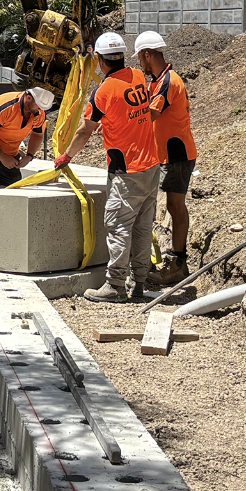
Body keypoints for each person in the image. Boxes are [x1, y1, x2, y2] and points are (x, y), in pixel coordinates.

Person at [57, 31, 163, 302]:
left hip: (127, 170)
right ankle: (138, 284)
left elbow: (84, 131)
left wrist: (66, 156)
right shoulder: (139, 77)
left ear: (101, 61)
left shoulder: (103, 92)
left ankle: (115, 286)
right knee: (142, 227)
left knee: (118, 226)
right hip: (151, 167)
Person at [132, 30, 196, 290]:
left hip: (178, 154)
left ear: (148, 55)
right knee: (172, 205)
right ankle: (175, 261)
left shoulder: (169, 82)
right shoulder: (158, 81)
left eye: (140, 59)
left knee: (175, 206)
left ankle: (178, 263)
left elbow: (150, 116)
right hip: (169, 153)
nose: (140, 64)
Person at [0, 85, 53, 189]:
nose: (39, 110)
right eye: (38, 106)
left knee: (9, 193)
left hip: (10, 152)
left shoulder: (39, 113)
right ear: (29, 98)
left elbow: (38, 134)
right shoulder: (5, 106)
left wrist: (29, 156)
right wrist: (2, 157)